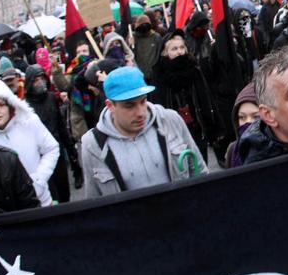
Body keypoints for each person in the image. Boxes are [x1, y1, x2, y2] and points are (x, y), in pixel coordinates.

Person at [81, 66, 207, 197]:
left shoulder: (170, 120)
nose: (140, 112)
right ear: (110, 106)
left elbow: (199, 171)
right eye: (129, 105)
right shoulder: (92, 143)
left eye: (143, 101)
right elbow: (94, 202)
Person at [0, 80, 59, 206]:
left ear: (10, 105)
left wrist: (39, 179)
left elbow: (51, 148)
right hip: (11, 210)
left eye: (1, 105)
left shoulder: (29, 121)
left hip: (41, 200)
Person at [151, 30, 223, 163]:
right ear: (165, 52)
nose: (179, 52)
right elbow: (158, 102)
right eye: (174, 49)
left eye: (182, 47)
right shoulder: (159, 74)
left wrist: (213, 124)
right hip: (174, 131)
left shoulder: (194, 69)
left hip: (197, 125)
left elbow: (206, 98)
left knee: (201, 163)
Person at [24, 64, 78, 202]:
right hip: (40, 157)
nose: (40, 82)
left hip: (57, 150)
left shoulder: (51, 98)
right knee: (51, 194)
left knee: (64, 191)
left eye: (42, 78)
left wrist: (72, 152)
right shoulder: (25, 106)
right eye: (36, 80)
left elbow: (61, 126)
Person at [224, 82, 259, 168]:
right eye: (242, 117)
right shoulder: (233, 151)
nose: (248, 122)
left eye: (256, 117)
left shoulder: (282, 147)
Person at [133, 14, 162, 83]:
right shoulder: (133, 38)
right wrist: (130, 43)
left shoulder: (156, 37)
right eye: (141, 25)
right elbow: (131, 56)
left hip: (154, 75)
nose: (144, 26)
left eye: (146, 24)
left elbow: (159, 53)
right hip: (140, 75)